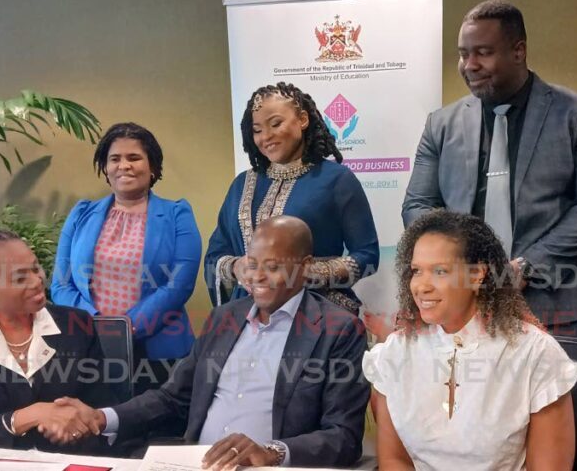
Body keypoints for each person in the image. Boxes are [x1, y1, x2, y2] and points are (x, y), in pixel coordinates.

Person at [56, 216, 370, 468]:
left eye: (273, 267)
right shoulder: (224, 318)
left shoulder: (338, 330)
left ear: (304, 267)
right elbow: (173, 398)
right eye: (252, 264)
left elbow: (343, 436)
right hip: (195, 462)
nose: (256, 277)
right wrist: (102, 417)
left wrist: (272, 452)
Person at [400, 0, 577, 338]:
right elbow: (417, 205)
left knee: (554, 394)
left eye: (483, 53)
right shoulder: (441, 124)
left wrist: (527, 266)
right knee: (456, 392)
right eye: (463, 54)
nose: (469, 65)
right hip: (459, 308)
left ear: (519, 51)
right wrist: (455, 266)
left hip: (551, 306)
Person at [364, 210, 577, 470]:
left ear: (477, 275)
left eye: (439, 271)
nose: (422, 286)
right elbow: (394, 460)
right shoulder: (395, 352)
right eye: (416, 271)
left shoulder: (534, 353)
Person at [0, 231, 118, 454]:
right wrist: (30, 415)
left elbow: (104, 408)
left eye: (35, 267)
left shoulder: (76, 324)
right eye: (20, 278)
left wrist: (77, 425)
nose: (37, 280)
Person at [52, 122, 202, 393]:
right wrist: (97, 326)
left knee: (157, 430)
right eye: (115, 159)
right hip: (89, 348)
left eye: (134, 158)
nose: (124, 166)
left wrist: (126, 330)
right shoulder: (81, 214)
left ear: (153, 166)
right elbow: (61, 286)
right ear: (105, 168)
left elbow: (180, 285)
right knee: (94, 428)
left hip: (159, 352)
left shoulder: (177, 214)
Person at [205, 82, 379, 313]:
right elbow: (215, 255)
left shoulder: (337, 179)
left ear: (303, 120)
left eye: (276, 124)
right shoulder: (241, 184)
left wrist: (302, 274)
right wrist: (237, 267)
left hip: (315, 313)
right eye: (257, 130)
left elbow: (367, 255)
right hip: (248, 314)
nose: (266, 136)